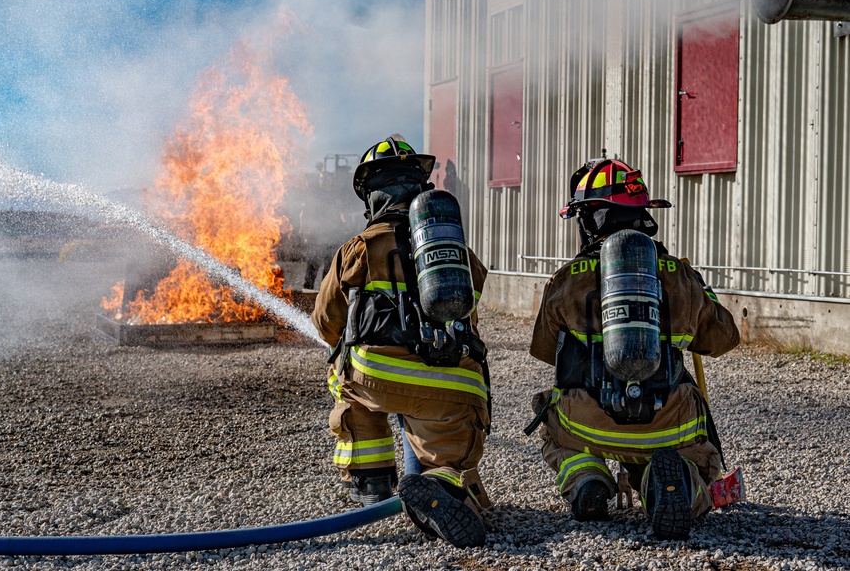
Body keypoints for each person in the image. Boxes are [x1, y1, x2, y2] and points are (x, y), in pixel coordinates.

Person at [527, 155, 740, 540]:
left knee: (553, 430)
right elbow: (724, 339)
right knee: (693, 463)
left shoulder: (564, 279)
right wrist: (698, 292)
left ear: (590, 218)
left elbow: (545, 350)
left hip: (589, 424)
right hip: (668, 424)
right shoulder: (679, 274)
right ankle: (668, 487)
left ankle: (587, 479)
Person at [311, 135, 491, 548]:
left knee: (342, 374)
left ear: (371, 195)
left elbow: (326, 324)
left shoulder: (359, 249)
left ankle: (371, 481)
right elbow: (474, 297)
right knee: (446, 450)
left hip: (377, 378)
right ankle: (441, 481)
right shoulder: (453, 249)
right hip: (453, 382)